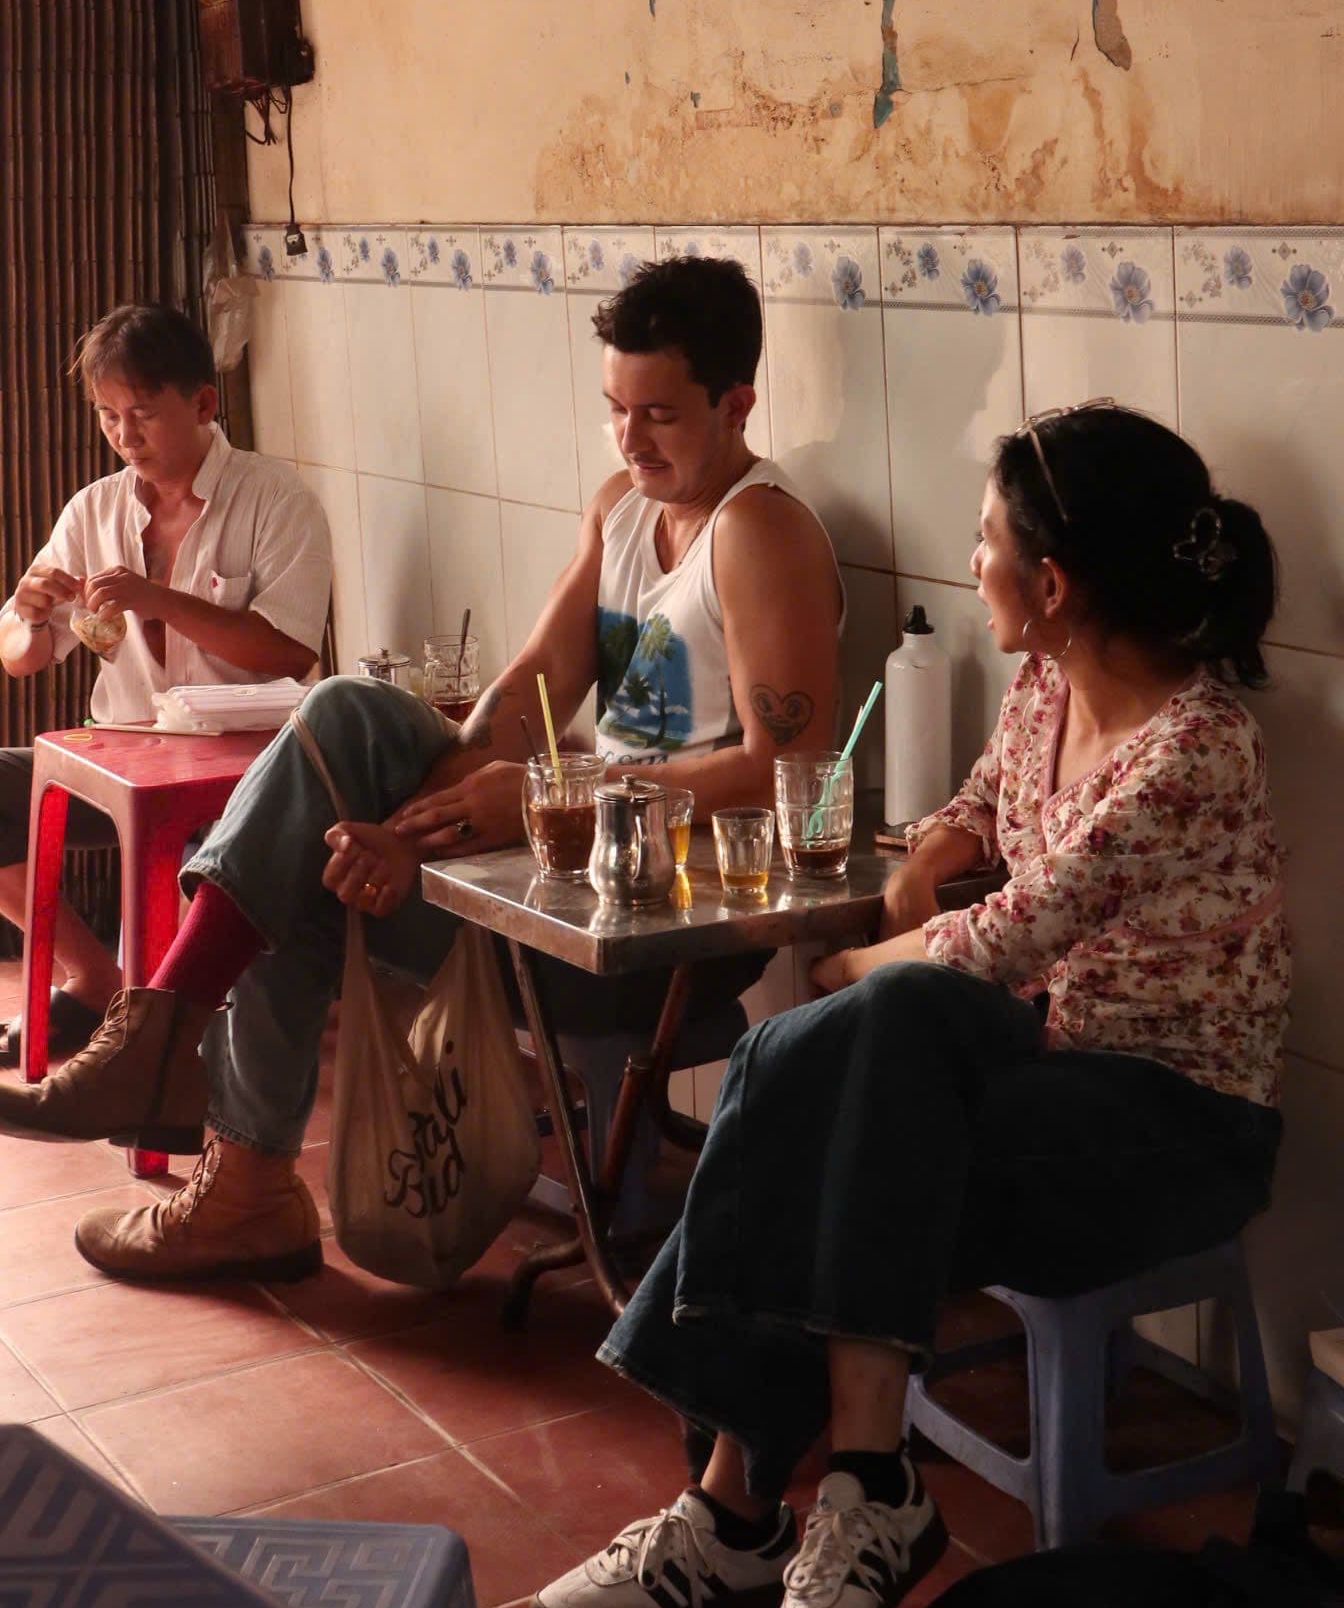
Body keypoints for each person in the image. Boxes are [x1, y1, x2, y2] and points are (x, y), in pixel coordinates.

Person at [528, 404, 1292, 1608]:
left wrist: (851, 964)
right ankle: (822, 1492)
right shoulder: (1050, 683)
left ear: (1050, 583)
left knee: (854, 1041)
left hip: (1175, 1125)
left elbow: (996, 940)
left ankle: (758, 1505)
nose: (969, 559)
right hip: (1045, 1071)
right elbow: (981, 809)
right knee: (842, 1083)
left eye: (985, 539)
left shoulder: (1197, 750)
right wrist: (935, 842)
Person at [0, 255, 844, 1289]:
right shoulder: (623, 507)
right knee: (330, 801)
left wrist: (533, 797)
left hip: (664, 917)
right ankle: (222, 1150)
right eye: (616, 411)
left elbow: (787, 767)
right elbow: (536, 681)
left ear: (737, 402)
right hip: (571, 859)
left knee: (327, 766)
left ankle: (214, 1136)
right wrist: (417, 819)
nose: (631, 440)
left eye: (659, 415)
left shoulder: (759, 531)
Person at [0, 304, 332, 1064]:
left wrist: (158, 600)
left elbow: (286, 651)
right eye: (109, 417)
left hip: (245, 766)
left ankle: (178, 1031)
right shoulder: (96, 507)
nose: (125, 436)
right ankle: (97, 979)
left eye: (143, 414)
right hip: (117, 757)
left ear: (205, 403)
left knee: (223, 870)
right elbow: (19, 653)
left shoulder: (277, 501)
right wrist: (28, 608)